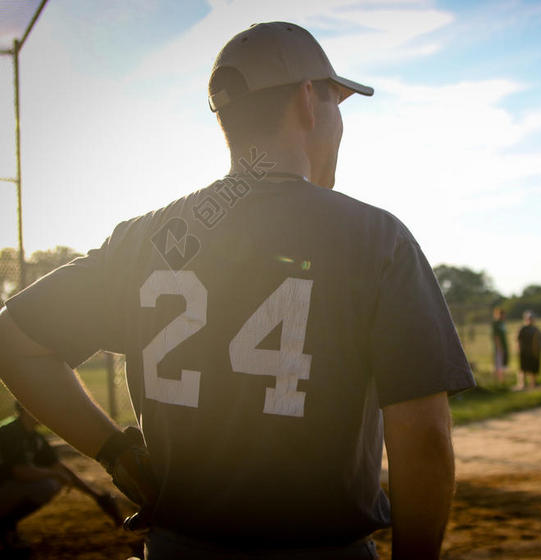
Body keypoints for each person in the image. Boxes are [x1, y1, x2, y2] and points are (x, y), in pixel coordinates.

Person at [0, 21, 475, 560]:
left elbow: (13, 340)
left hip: (178, 549)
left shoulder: (143, 239)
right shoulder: (377, 239)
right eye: (337, 100)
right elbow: (426, 443)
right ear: (307, 100)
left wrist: (115, 451)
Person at [0, 402, 122, 551]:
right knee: (47, 485)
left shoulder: (33, 437)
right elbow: (20, 472)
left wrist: (96, 496)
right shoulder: (10, 432)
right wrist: (53, 473)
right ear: (25, 408)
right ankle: (5, 526)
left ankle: (7, 527)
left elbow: (59, 468)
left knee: (50, 483)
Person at [514, 311, 541, 391]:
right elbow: (518, 340)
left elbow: (540, 340)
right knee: (523, 369)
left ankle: (533, 383)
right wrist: (519, 349)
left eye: (531, 318)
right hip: (524, 352)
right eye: (529, 318)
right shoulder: (522, 329)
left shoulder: (536, 329)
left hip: (533, 352)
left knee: (533, 369)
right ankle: (522, 384)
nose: (530, 320)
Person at [491, 307, 509, 384]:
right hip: (499, 348)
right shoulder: (495, 323)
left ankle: (502, 381)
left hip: (504, 346)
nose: (504, 316)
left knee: (503, 364)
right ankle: (497, 382)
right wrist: (499, 347)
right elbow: (496, 336)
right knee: (498, 365)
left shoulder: (502, 323)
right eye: (502, 315)